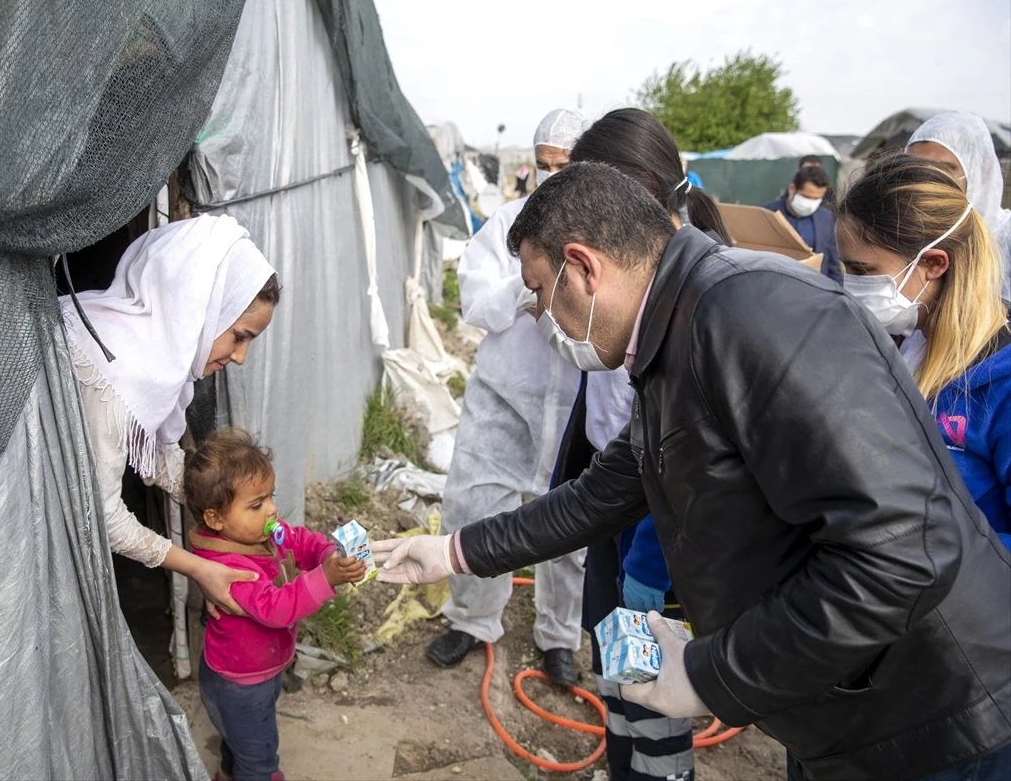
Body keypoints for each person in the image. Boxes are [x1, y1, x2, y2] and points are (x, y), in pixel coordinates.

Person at [374, 162, 1011, 781]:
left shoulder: (749, 316)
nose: (541, 314)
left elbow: (904, 554)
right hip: (847, 704)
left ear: (585, 267)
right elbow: (601, 493)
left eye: (540, 292)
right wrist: (456, 550)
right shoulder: (676, 331)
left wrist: (713, 674)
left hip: (935, 719)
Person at [558, 106, 736, 781]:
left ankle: (652, 771)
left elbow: (690, 459)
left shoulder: (699, 303)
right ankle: (627, 764)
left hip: (660, 533)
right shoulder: (635, 279)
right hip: (620, 497)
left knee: (650, 678)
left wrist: (651, 566)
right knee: (616, 663)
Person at [426, 108, 586, 685]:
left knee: (571, 524)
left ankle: (559, 637)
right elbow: (473, 302)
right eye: (543, 165)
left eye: (564, 166)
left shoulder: (601, 229)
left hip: (572, 403)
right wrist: (527, 283)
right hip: (504, 396)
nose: (551, 175)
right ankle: (472, 619)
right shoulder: (508, 225)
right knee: (475, 507)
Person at [60, 213, 280, 616]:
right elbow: (100, 514)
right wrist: (199, 568)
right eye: (239, 336)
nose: (241, 357)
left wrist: (236, 503)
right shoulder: (112, 367)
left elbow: (155, 454)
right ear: (201, 307)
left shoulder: (156, 359)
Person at [837, 154, 1010, 552]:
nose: (853, 287)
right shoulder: (899, 348)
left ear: (932, 263)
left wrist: (922, 550)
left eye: (863, 272)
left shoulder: (1000, 384)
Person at [186, 429, 366, 781]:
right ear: (215, 519)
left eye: (270, 496)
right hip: (240, 684)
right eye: (256, 504)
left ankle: (226, 772)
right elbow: (277, 608)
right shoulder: (228, 570)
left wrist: (326, 554)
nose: (271, 509)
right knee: (259, 760)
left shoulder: (263, 532)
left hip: (256, 670)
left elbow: (297, 539)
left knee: (237, 742)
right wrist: (324, 578)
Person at [905, 110, 1011, 299]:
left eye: (944, 169)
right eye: (916, 168)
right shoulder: (904, 235)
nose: (928, 179)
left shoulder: (1005, 237)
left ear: (981, 170)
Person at [763, 164, 842, 282]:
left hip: (815, 287)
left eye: (816, 199)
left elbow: (833, 263)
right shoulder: (766, 213)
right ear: (792, 189)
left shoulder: (826, 217)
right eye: (806, 197)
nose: (810, 204)